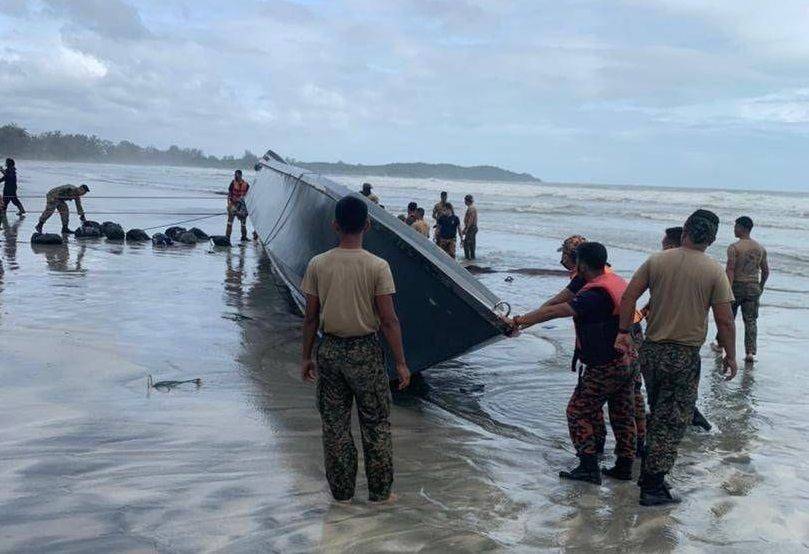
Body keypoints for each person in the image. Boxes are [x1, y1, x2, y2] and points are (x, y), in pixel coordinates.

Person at [616, 209, 737, 506]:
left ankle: (650, 475)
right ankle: (653, 486)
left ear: (685, 230)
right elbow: (725, 320)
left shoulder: (658, 260)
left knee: (659, 412)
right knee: (671, 421)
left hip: (652, 351)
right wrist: (730, 354)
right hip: (683, 354)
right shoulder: (713, 270)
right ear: (712, 239)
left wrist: (623, 331)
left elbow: (628, 296)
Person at [300, 195, 410, 503]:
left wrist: (306, 357)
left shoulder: (318, 264)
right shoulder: (378, 266)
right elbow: (389, 321)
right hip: (365, 353)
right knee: (375, 425)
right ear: (368, 225)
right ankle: (380, 495)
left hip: (330, 351)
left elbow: (310, 318)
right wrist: (401, 363)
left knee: (334, 427)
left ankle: (342, 495)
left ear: (335, 225)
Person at [507, 242, 636, 485]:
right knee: (622, 412)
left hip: (605, 363)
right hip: (627, 359)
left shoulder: (594, 295)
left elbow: (555, 312)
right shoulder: (615, 281)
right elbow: (556, 303)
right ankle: (624, 466)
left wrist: (518, 321)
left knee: (577, 411)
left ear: (582, 265)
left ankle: (588, 467)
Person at [714, 216, 768, 363]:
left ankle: (720, 345)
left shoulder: (734, 247)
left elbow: (730, 269)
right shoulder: (760, 248)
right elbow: (765, 271)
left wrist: (727, 288)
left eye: (736, 226)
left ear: (742, 228)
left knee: (727, 317)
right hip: (753, 286)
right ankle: (750, 352)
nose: (734, 229)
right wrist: (760, 286)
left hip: (737, 285)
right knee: (751, 320)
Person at [226, 170, 250, 242]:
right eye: (235, 175)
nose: (235, 176)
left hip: (242, 205)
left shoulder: (246, 185)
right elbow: (229, 194)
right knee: (230, 222)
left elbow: (249, 196)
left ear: (240, 175)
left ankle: (244, 237)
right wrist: (229, 205)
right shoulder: (232, 183)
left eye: (237, 175)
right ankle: (227, 238)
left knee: (243, 223)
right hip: (233, 204)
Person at [462, 194, 478, 260]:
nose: (464, 202)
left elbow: (470, 220)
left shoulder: (471, 209)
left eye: (465, 200)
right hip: (472, 228)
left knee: (467, 244)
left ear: (467, 201)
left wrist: (466, 229)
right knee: (471, 244)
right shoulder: (472, 208)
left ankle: (468, 258)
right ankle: (472, 258)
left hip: (471, 228)